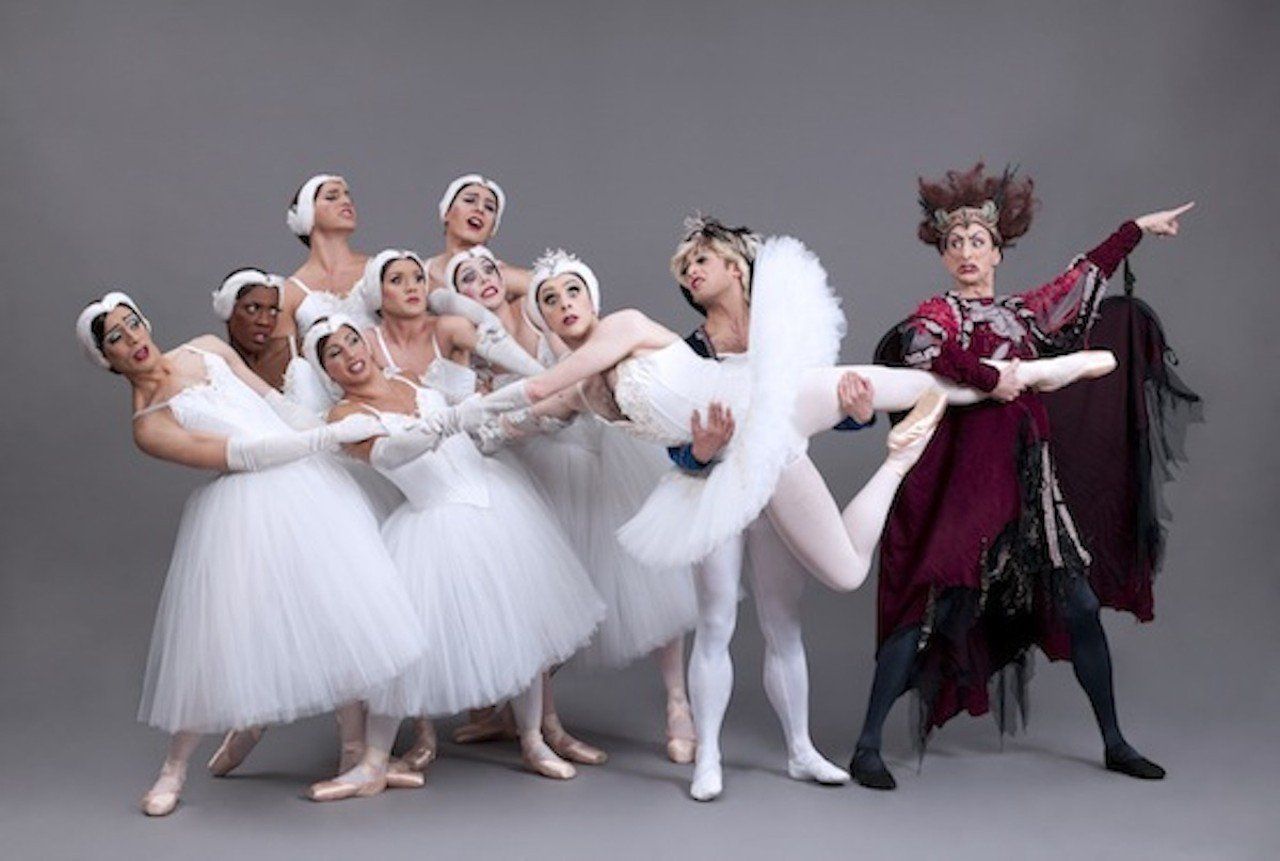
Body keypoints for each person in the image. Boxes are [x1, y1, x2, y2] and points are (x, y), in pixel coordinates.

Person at [848, 163, 1193, 790]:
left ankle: (1115, 742)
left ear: (997, 253)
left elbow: (1081, 278)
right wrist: (991, 378)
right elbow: (925, 349)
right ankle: (866, 746)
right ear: (945, 257)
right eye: (955, 244)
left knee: (1079, 605)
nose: (965, 252)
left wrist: (1135, 230)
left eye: (977, 242)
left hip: (1030, 482)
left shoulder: (1025, 315)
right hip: (965, 485)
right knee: (932, 605)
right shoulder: (939, 313)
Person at [76, 292, 428, 815]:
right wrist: (327, 437)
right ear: (107, 359)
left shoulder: (205, 347)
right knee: (219, 636)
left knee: (343, 611)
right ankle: (174, 768)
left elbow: (274, 406)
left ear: (145, 321)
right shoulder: (148, 424)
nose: (133, 339)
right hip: (246, 506)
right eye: (116, 338)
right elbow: (239, 454)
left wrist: (326, 430)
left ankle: (355, 754)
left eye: (133, 324)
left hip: (310, 486)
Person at [306, 316, 607, 782]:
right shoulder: (343, 416)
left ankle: (533, 739)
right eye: (334, 353)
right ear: (327, 371)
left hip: (495, 505)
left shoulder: (409, 378)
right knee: (406, 650)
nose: (349, 354)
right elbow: (386, 454)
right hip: (436, 525)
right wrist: (446, 422)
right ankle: (373, 761)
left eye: (352, 341)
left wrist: (505, 399)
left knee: (523, 623)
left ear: (365, 342)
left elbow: (476, 407)